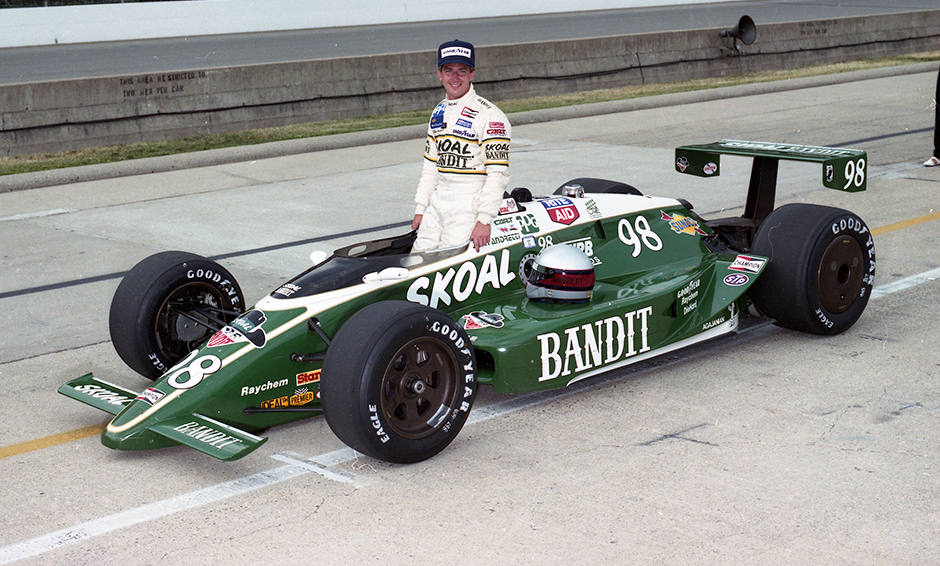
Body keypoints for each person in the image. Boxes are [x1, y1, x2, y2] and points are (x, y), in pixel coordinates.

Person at [411, 39, 511, 252]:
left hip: (469, 205)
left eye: (462, 71)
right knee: (416, 263)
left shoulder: (490, 115)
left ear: (472, 74)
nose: (455, 78)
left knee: (448, 268)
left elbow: (497, 173)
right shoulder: (438, 111)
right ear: (439, 74)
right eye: (449, 71)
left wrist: (484, 219)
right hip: (437, 203)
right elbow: (430, 166)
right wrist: (421, 208)